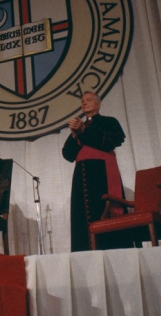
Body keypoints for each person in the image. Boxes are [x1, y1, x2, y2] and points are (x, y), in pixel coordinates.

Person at [62, 91, 129, 252]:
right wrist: (74, 135)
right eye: (82, 101)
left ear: (98, 104)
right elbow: (68, 155)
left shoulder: (109, 122)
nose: (84, 103)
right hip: (81, 178)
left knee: (103, 213)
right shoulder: (79, 127)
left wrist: (84, 130)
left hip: (101, 177)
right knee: (82, 218)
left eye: (89, 100)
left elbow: (108, 143)